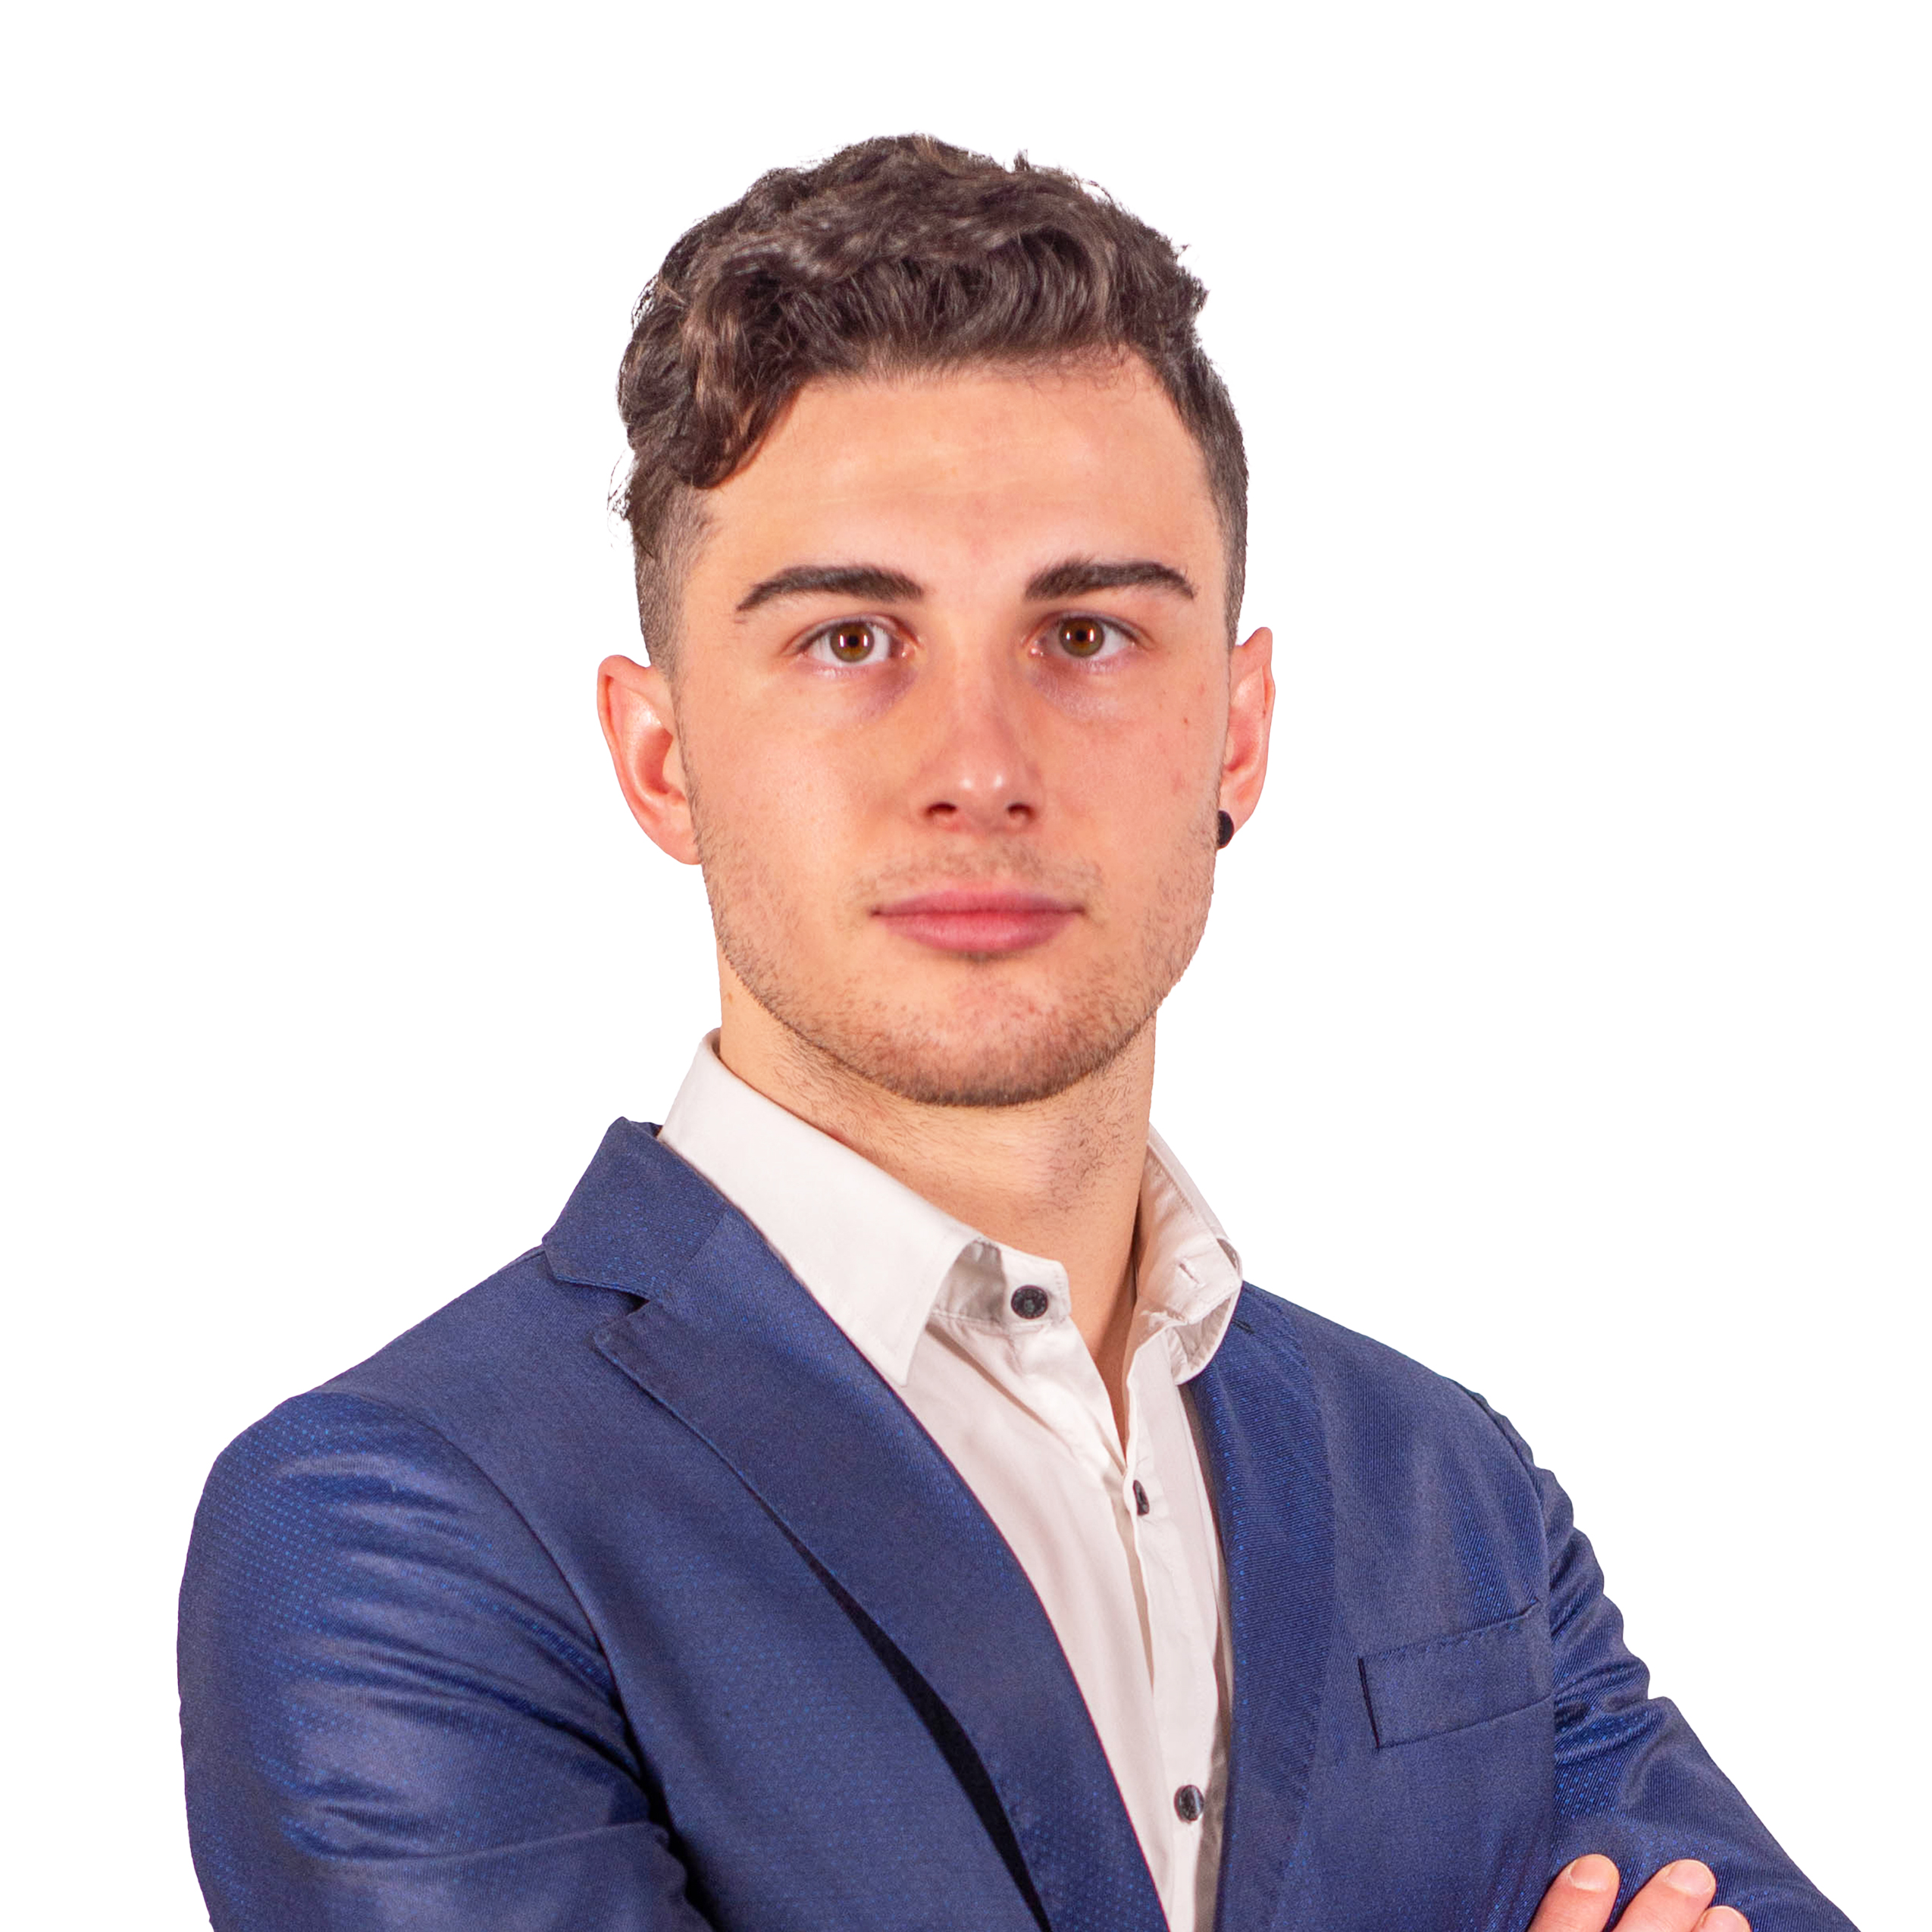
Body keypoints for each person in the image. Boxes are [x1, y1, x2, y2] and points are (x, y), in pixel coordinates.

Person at [177, 136, 1853, 1932]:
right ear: (661, 760)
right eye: (850, 641)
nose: (978, 769)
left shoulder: (1447, 1490)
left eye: (1087, 633)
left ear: (1237, 732)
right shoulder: (401, 1526)